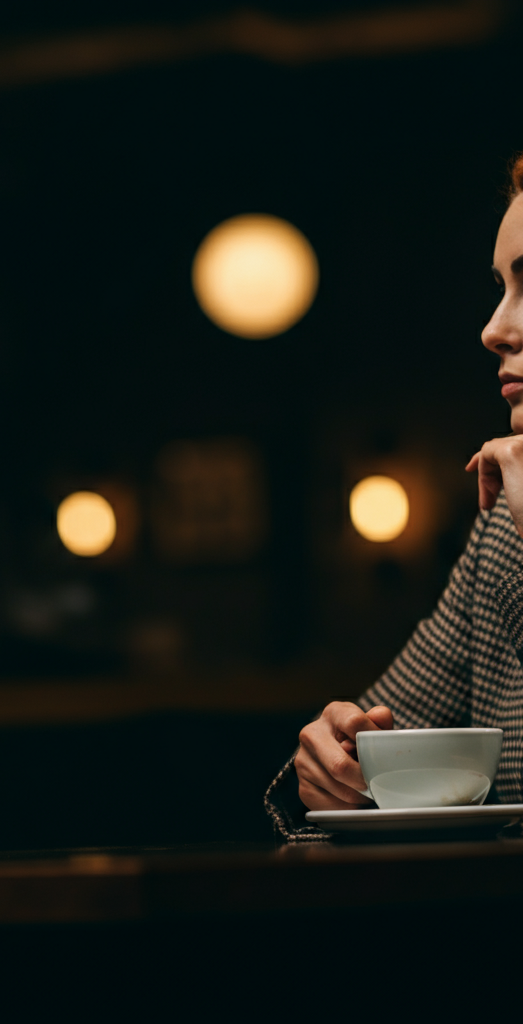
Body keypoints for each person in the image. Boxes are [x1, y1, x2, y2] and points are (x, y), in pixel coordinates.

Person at [266, 154, 523, 840]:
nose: (494, 329)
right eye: (500, 287)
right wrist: (326, 770)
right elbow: (375, 747)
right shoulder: (503, 531)